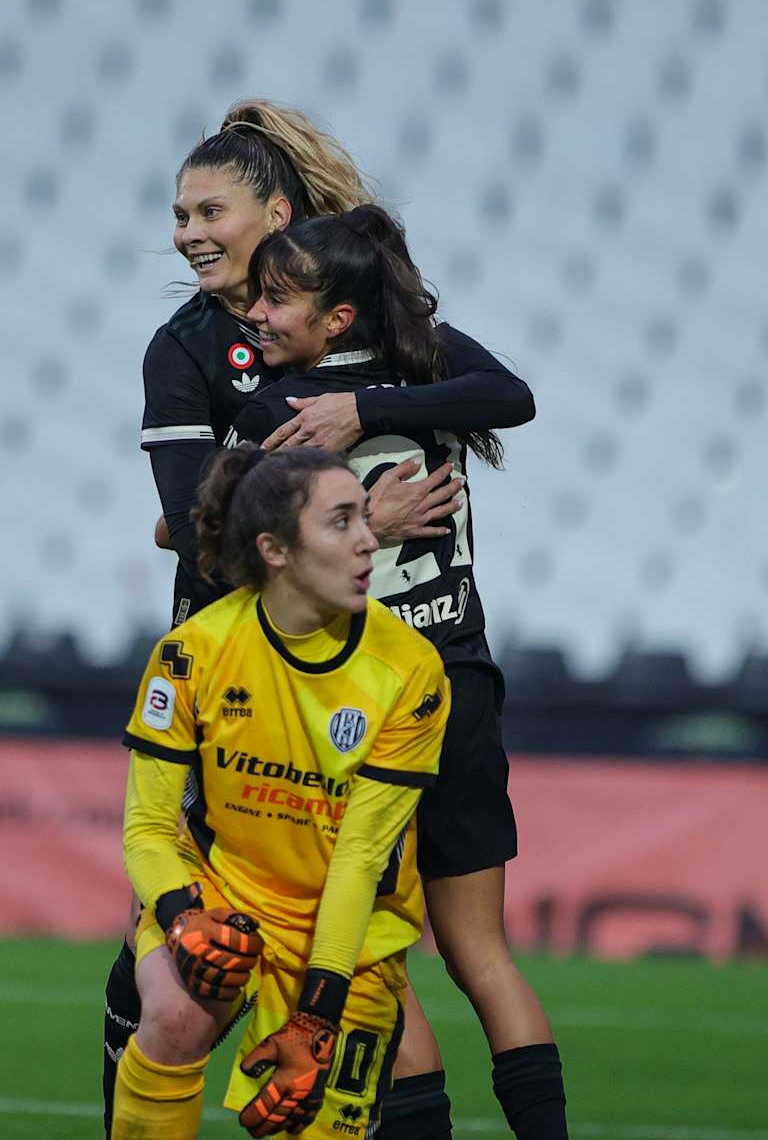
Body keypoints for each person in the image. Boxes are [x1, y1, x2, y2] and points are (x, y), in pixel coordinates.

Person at [105, 97, 538, 1138]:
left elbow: (506, 394)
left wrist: (358, 422)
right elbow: (197, 524)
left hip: (338, 687)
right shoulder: (194, 346)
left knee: (286, 978)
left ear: (279, 213)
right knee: (179, 987)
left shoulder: (352, 329)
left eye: (211, 209)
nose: (188, 233)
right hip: (270, 675)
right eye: (179, 214)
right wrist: (364, 513)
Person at [221, 204, 570, 1140]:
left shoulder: (274, 416)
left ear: (336, 318)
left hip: (354, 708)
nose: (255, 312)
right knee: (483, 954)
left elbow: (227, 549)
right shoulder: (434, 374)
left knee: (382, 962)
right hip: (458, 678)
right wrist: (379, 415)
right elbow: (516, 397)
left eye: (275, 296)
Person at [112, 444, 451, 1140]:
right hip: (223, 894)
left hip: (345, 937)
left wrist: (317, 1014)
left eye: (364, 519)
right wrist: (181, 917)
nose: (367, 541)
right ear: (275, 549)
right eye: (341, 522)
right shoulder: (192, 652)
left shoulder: (412, 671)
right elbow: (147, 829)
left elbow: (360, 857)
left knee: (308, 1121)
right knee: (174, 1016)